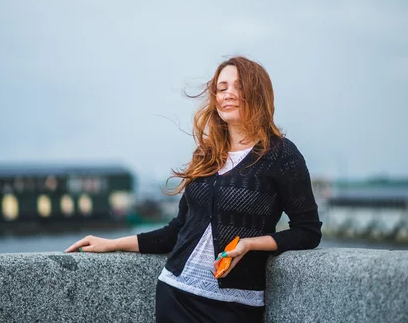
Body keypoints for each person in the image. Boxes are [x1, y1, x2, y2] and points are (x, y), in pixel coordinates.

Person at [65, 56, 322, 322]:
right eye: (222, 88)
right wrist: (112, 243)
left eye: (239, 86)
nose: (228, 94)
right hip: (175, 293)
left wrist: (250, 244)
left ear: (258, 93)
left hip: (234, 307)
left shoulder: (281, 155)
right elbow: (178, 230)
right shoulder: (206, 155)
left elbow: (308, 231)